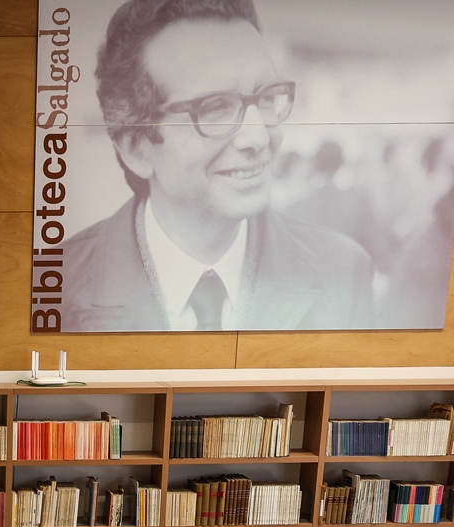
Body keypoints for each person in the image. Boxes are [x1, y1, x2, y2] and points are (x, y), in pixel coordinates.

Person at [65, 0, 373, 332]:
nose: (258, 138)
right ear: (137, 148)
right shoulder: (56, 284)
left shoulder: (343, 271)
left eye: (267, 97)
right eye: (215, 107)